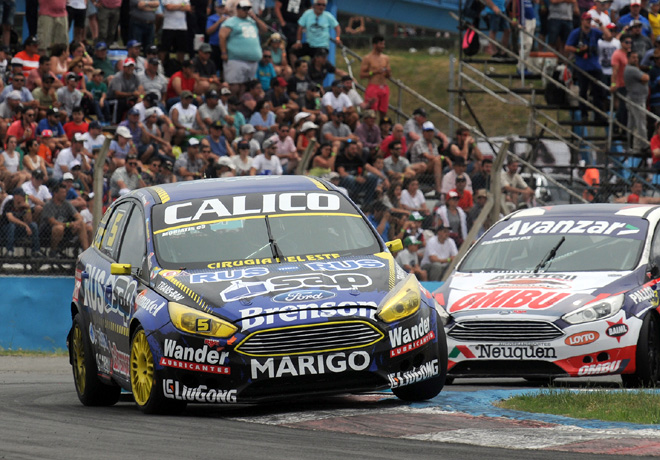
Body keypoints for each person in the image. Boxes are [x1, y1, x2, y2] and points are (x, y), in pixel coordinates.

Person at [565, 12, 611, 120]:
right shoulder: (576, 33)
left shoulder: (594, 32)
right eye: (587, 20)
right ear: (582, 21)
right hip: (582, 66)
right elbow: (567, 47)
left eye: (590, 20)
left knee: (598, 91)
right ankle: (584, 114)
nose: (589, 22)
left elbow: (608, 37)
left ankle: (598, 115)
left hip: (595, 65)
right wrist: (578, 50)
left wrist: (601, 24)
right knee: (583, 91)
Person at [219, 0, 269, 95]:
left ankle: (242, 103)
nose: (246, 11)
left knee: (246, 86)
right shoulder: (231, 21)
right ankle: (232, 102)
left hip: (252, 60)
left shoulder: (252, 21)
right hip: (236, 59)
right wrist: (224, 52)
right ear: (238, 9)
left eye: (248, 9)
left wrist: (256, 18)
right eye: (244, 9)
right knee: (234, 85)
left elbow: (264, 30)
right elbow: (222, 36)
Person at [40, 182, 88, 256]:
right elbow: (53, 222)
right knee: (59, 228)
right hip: (49, 231)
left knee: (82, 224)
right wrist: (69, 225)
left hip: (65, 228)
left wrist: (76, 223)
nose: (65, 195)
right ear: (55, 194)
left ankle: (86, 253)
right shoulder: (48, 205)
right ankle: (53, 251)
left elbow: (79, 217)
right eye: (62, 193)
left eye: (65, 192)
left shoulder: (67, 203)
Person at [335, 139, 378, 205]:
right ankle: (353, 201)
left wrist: (384, 178)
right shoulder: (341, 157)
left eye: (356, 149)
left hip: (358, 182)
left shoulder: (356, 157)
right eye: (352, 149)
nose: (355, 151)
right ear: (346, 149)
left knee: (373, 177)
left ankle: (367, 204)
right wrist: (355, 178)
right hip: (345, 183)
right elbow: (342, 173)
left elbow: (368, 167)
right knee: (349, 179)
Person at [408, 121, 445, 195]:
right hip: (418, 168)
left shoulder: (433, 144)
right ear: (423, 132)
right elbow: (427, 156)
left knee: (438, 161)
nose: (430, 133)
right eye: (427, 131)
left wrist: (443, 158)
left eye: (431, 131)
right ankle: (438, 189)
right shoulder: (419, 143)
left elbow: (436, 157)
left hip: (429, 168)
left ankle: (439, 188)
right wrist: (442, 157)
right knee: (435, 161)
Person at [1, 188, 40, 257]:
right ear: (16, 196)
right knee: (11, 226)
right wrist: (25, 225)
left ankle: (36, 250)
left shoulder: (24, 205)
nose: (23, 198)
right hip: (6, 229)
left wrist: (28, 209)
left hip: (19, 229)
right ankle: (10, 251)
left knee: (33, 225)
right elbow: (10, 218)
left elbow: (29, 221)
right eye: (22, 196)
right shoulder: (9, 203)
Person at [359, 35, 391, 118]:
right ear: (375, 45)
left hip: (384, 87)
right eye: (381, 44)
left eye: (383, 44)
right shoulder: (367, 58)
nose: (383, 46)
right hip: (373, 87)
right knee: (372, 113)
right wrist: (374, 72)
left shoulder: (386, 58)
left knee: (384, 112)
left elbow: (389, 76)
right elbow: (362, 75)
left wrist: (388, 72)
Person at [624, 51, 650, 151]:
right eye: (633, 57)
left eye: (637, 57)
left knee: (632, 123)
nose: (636, 59)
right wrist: (644, 78)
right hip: (636, 100)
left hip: (636, 98)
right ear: (628, 58)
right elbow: (645, 78)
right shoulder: (631, 69)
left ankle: (629, 144)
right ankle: (644, 145)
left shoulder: (634, 69)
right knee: (641, 123)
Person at [160, 0, 191, 65]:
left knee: (181, 50)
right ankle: (161, 66)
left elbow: (188, 8)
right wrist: (182, 5)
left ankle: (180, 67)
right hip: (168, 26)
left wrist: (175, 7)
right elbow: (169, 7)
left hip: (182, 27)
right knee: (164, 49)